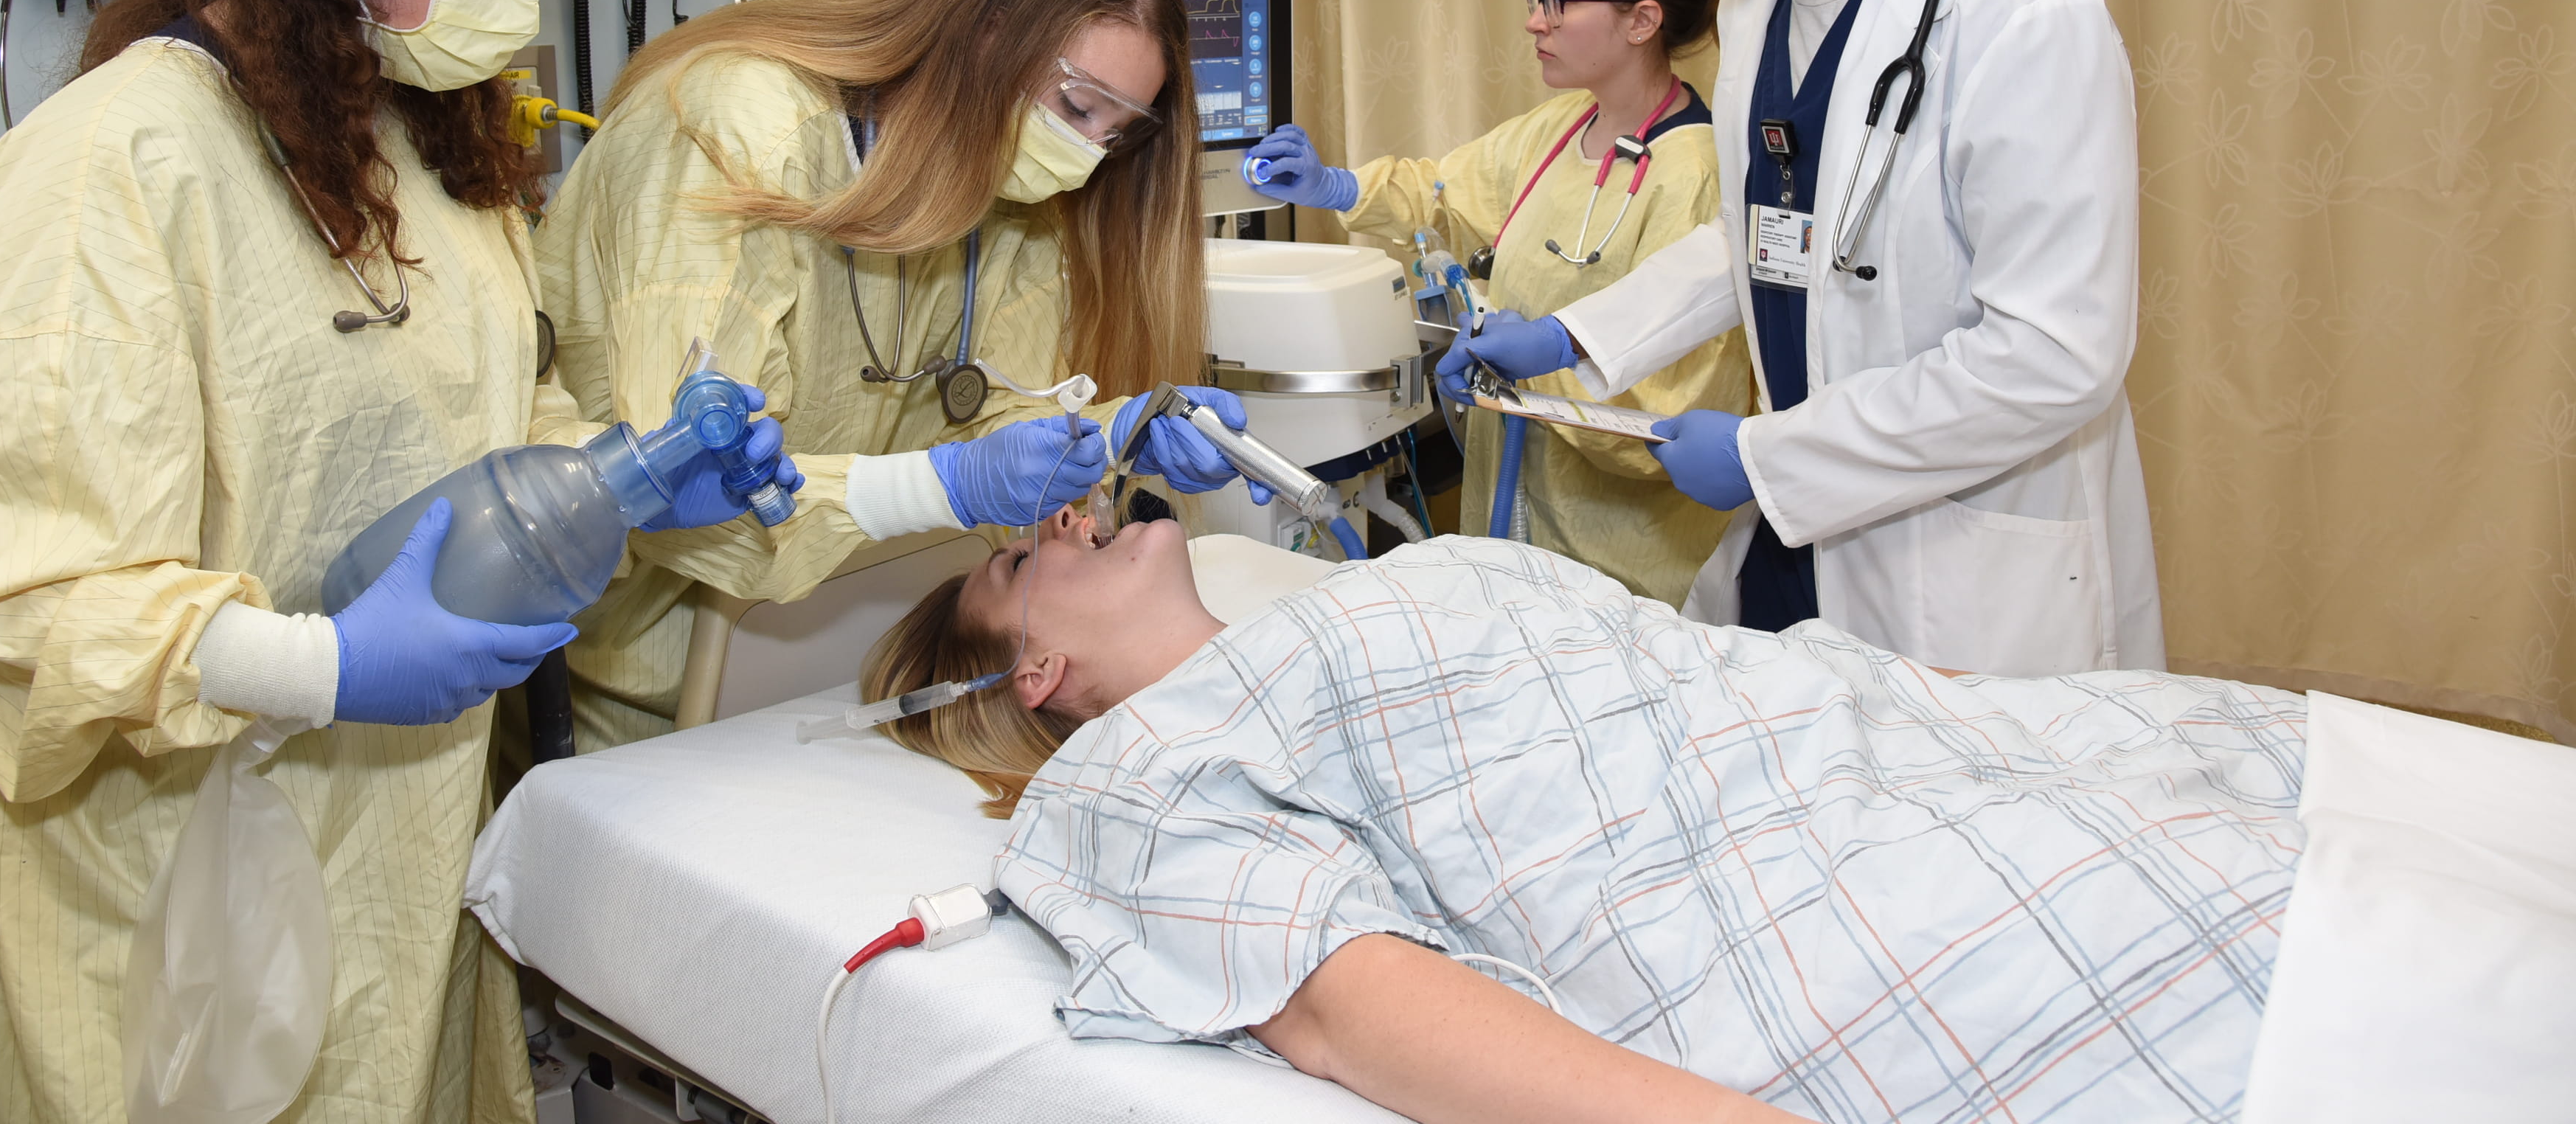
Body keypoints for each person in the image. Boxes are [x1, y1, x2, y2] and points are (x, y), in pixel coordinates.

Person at [0, 0, 785, 1122]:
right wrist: (313, 663)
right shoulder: (112, 163)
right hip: (177, 878)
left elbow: (495, 403)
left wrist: (634, 476)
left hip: (398, 843)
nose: (520, 11)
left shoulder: (431, 150)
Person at [864, 511, 2306, 1123]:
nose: (1062, 518)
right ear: (1034, 672)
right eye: (1017, 555)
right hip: (1822, 893)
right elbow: (1335, 1002)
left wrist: (1982, 715)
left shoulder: (1319, 607)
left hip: (1905, 746)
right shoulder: (1132, 780)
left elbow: (1688, 666)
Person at [1440, 0, 2159, 676]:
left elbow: (2054, 356)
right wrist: (1577, 334)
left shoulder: (2024, 19)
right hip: (1803, 549)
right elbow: (1766, 236)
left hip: (1961, 572)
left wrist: (1770, 456)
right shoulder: (1755, 6)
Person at [532, 0, 1268, 755]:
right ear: (989, 29)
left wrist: (1115, 432)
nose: (1084, 156)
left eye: (1115, 132)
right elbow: (687, 475)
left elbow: (1002, 413)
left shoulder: (1013, 189)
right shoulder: (737, 130)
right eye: (1077, 107)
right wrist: (943, 485)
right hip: (650, 683)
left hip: (842, 655)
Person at [1235, 0, 1754, 602]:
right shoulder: (1563, 127)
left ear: (1642, 20)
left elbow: (1665, 426)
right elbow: (1442, 195)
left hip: (1620, 569)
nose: (1535, 21)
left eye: (1560, 3)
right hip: (1511, 529)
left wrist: (1531, 374)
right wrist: (1335, 187)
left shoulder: (1696, 176)